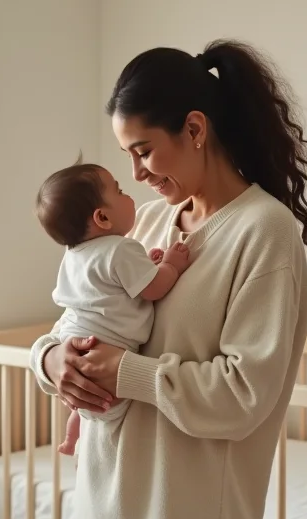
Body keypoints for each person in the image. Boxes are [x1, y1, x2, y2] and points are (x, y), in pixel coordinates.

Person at [30, 39, 307, 519]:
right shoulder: (143, 224)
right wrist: (51, 360)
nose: (137, 174)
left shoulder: (263, 232)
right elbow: (76, 319)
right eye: (127, 157)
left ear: (194, 129)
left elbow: (244, 394)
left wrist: (128, 373)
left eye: (143, 151)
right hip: (106, 498)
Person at [35, 162, 191, 455]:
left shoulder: (74, 256)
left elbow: (108, 290)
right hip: (107, 348)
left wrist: (147, 264)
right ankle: (75, 441)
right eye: (119, 190)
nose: (130, 186)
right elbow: (153, 288)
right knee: (107, 410)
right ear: (103, 217)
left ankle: (71, 440)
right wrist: (170, 265)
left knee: (86, 407)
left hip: (74, 340)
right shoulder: (121, 248)